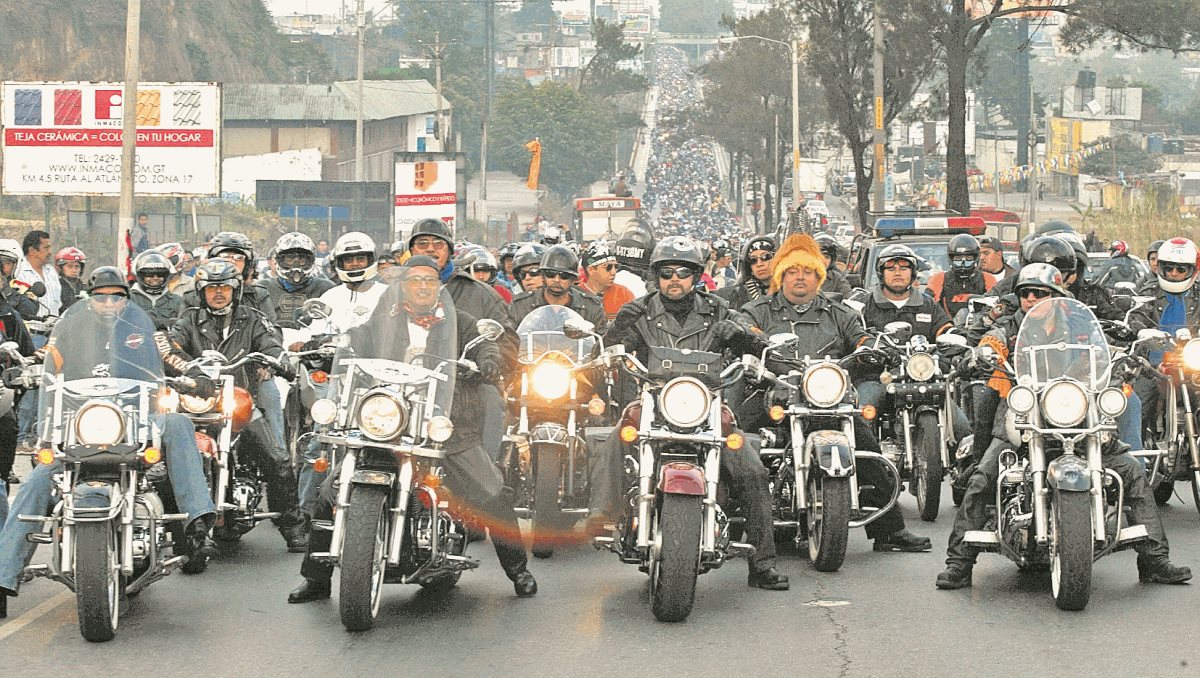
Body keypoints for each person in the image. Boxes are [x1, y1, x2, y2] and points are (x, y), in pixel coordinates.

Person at [287, 256, 538, 602]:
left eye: (430, 281)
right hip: (387, 421)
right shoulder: (384, 319)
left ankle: (518, 571)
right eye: (414, 280)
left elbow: (484, 343)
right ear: (403, 286)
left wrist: (489, 361)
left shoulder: (458, 322)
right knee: (331, 488)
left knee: (491, 490)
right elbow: (356, 339)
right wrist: (334, 347)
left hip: (445, 424)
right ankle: (316, 579)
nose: (422, 287)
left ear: (439, 287)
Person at [936, 263, 1191, 589]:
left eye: (1039, 293)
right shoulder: (1009, 327)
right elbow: (991, 342)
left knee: (1131, 472)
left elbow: (1108, 344)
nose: (1030, 299)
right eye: (1025, 293)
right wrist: (982, 353)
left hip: (1079, 413)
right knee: (985, 474)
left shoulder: (1082, 326)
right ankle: (959, 563)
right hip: (1024, 417)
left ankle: (1154, 560)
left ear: (1056, 296)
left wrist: (1131, 350)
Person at [586, 235, 790, 591]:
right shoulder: (640, 311)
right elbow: (605, 350)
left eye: (683, 272)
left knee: (753, 469)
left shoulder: (718, 309)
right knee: (620, 433)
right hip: (653, 400)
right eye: (667, 273)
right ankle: (599, 512)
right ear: (657, 276)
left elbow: (758, 342)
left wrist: (742, 335)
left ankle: (762, 564)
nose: (674, 279)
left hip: (709, 405)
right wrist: (617, 329)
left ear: (696, 276)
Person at [0, 267, 217, 600]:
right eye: (101, 297)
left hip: (136, 422)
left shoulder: (144, 330)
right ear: (90, 299)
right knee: (38, 479)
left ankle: (198, 520)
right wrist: (26, 367)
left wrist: (193, 372)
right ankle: (4, 576)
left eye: (116, 297)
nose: (108, 303)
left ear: (124, 299)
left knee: (178, 423)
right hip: (81, 426)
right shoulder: (70, 330)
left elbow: (171, 354)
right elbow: (48, 356)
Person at [740, 234, 932, 556]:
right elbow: (745, 332)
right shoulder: (759, 310)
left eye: (808, 271)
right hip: (774, 392)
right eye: (792, 271)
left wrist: (870, 348)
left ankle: (890, 529)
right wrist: (753, 344)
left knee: (868, 447)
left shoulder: (838, 311)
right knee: (740, 444)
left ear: (819, 275)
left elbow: (861, 337)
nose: (800, 277)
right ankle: (733, 519)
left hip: (828, 397)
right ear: (781, 275)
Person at [164, 260, 308, 552]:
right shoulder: (189, 320)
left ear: (236, 289)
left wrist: (277, 360)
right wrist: (186, 369)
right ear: (201, 292)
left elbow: (270, 343)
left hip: (239, 399)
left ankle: (293, 527)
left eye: (225, 287)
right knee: (161, 461)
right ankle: (179, 529)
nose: (218, 293)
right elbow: (169, 346)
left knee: (277, 458)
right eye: (212, 288)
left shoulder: (252, 319)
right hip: (196, 402)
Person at [1129, 237, 1200, 439]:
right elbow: (1136, 316)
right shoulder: (1149, 291)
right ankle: (1140, 459)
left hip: (1193, 365)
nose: (1174, 274)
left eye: (1180, 269)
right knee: (1136, 405)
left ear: (1192, 270)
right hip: (1154, 366)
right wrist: (1142, 331)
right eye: (1168, 268)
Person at [509, 245, 606, 330]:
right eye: (550, 274)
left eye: (564, 276)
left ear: (573, 280)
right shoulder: (520, 305)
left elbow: (601, 344)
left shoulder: (591, 306)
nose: (556, 280)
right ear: (542, 276)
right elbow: (508, 341)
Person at [258, 232, 336, 329]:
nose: (296, 265)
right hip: (273, 342)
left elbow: (335, 324)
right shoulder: (263, 288)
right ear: (279, 260)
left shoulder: (326, 288)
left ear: (311, 260)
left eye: (302, 260)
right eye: (289, 260)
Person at [130, 250, 186, 332]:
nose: (155, 278)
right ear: (140, 276)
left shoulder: (178, 301)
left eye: (160, 274)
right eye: (149, 274)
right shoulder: (128, 299)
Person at [716, 235, 775, 311]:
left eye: (765, 257)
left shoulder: (788, 291)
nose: (759, 264)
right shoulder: (738, 295)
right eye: (753, 260)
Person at [580, 242, 634, 321]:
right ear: (591, 270)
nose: (613, 272)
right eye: (608, 267)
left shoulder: (624, 293)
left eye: (616, 267)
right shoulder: (576, 295)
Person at [15, 230, 61, 323]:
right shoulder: (18, 273)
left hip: (53, 332)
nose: (50, 252)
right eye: (46, 248)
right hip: (31, 332)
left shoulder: (51, 271)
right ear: (32, 251)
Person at [53, 246, 86, 312]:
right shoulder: (55, 288)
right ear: (61, 268)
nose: (73, 270)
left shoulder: (86, 288)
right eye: (69, 266)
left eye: (77, 266)